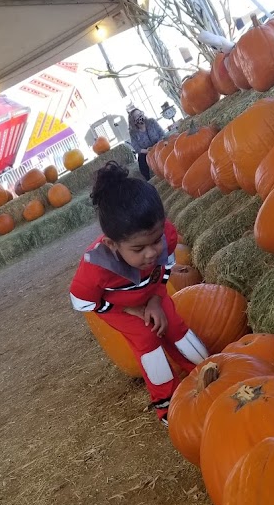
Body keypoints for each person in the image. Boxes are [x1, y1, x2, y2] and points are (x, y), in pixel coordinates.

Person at [69, 162, 208, 424]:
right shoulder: (95, 269)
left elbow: (166, 264)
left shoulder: (166, 236)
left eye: (156, 240)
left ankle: (207, 371)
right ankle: (168, 403)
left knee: (176, 327)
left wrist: (155, 299)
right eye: (139, 248)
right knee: (147, 341)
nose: (151, 252)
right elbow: (82, 302)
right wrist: (129, 309)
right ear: (112, 244)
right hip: (119, 307)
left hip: (151, 290)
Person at [128, 108, 165, 180]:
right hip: (146, 151)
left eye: (140, 113)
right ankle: (149, 179)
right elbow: (136, 147)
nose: (140, 116)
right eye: (137, 116)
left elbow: (162, 134)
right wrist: (147, 151)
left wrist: (158, 146)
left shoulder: (152, 122)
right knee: (141, 159)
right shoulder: (133, 133)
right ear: (134, 121)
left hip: (159, 144)